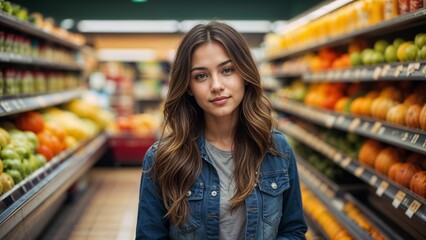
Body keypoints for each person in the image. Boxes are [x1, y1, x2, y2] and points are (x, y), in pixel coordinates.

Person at [136, 21, 307, 240]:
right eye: (201, 75)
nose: (216, 85)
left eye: (227, 70)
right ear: (188, 86)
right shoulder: (161, 158)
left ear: (244, 74)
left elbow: (292, 231)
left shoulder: (276, 149)